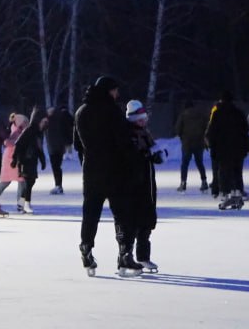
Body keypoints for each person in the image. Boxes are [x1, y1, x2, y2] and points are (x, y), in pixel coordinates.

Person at [73, 76, 134, 276]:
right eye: (115, 90)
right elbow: (123, 142)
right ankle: (125, 254)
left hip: (91, 170)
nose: (117, 94)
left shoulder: (81, 112)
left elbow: (77, 145)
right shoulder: (113, 112)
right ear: (108, 91)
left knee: (91, 212)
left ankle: (86, 247)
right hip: (115, 170)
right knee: (121, 213)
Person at [125, 100, 165, 273]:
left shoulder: (145, 133)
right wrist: (147, 155)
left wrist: (159, 154)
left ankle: (143, 257)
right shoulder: (127, 133)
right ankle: (127, 256)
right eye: (139, 118)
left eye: (144, 118)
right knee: (133, 221)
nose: (142, 121)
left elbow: (155, 149)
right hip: (134, 183)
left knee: (147, 220)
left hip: (148, 183)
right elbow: (130, 156)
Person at [206, 91, 249, 209]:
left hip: (223, 148)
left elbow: (212, 132)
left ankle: (226, 195)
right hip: (238, 148)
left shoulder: (217, 113)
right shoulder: (239, 113)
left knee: (224, 172)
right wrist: (246, 146)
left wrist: (212, 146)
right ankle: (237, 194)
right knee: (237, 172)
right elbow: (245, 131)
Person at [11, 109, 47, 214]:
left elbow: (39, 148)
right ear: (38, 120)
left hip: (32, 160)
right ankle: (26, 204)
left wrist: (42, 159)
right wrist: (14, 159)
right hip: (25, 160)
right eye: (43, 122)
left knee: (31, 181)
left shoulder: (38, 132)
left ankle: (21, 204)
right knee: (28, 181)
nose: (45, 124)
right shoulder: (29, 130)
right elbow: (18, 144)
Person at [173, 101, 209, 193]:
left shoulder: (183, 115)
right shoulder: (201, 115)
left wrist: (182, 137)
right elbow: (206, 127)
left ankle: (183, 183)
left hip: (187, 143)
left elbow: (177, 129)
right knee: (200, 163)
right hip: (199, 142)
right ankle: (204, 182)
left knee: (185, 164)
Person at [44, 106, 74, 194]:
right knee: (57, 166)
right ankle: (58, 185)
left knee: (55, 166)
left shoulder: (49, 120)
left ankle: (58, 185)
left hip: (54, 146)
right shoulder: (61, 118)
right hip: (59, 146)